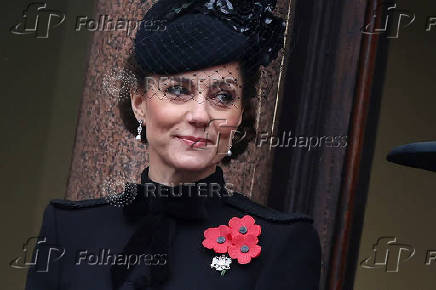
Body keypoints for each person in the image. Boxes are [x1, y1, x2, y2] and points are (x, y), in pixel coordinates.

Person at [25, 0, 321, 289]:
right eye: (178, 90)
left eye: (223, 97)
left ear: (240, 114)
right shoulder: (69, 230)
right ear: (139, 103)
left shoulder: (281, 244)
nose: (200, 115)